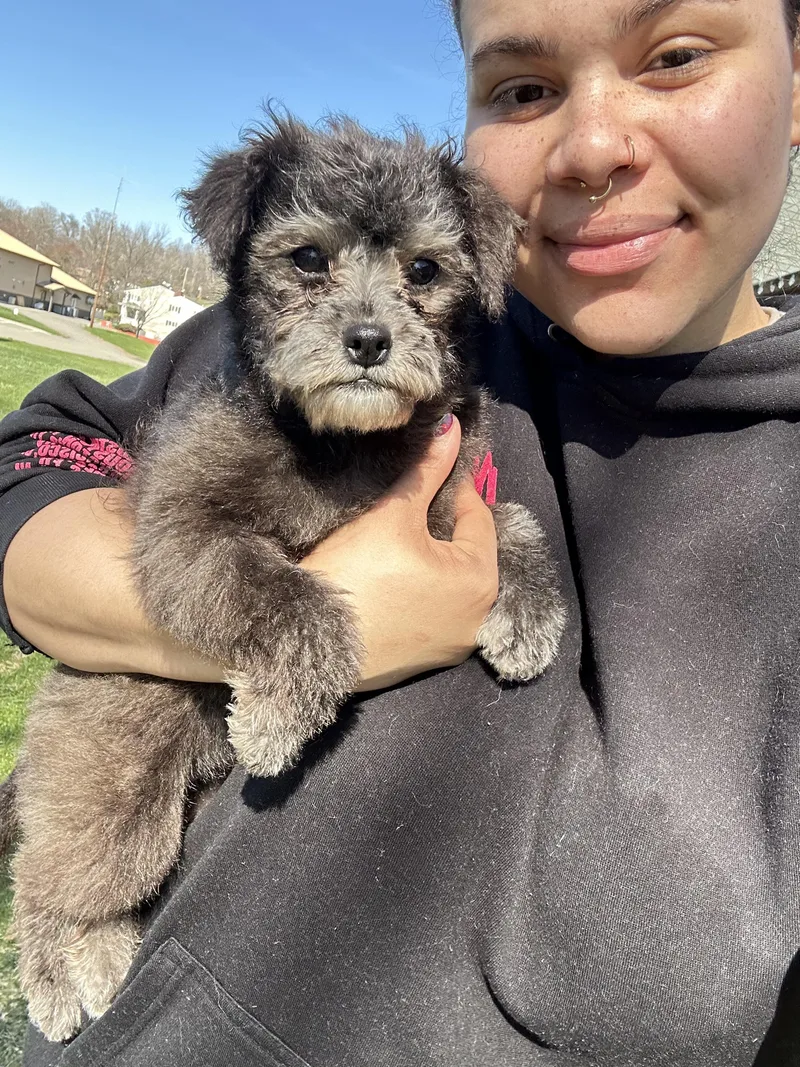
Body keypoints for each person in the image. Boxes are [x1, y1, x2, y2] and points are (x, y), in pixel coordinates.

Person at [2, 0, 800, 1062]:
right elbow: (38, 451)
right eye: (523, 86)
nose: (594, 146)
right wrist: (289, 626)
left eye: (676, 56)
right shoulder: (250, 364)